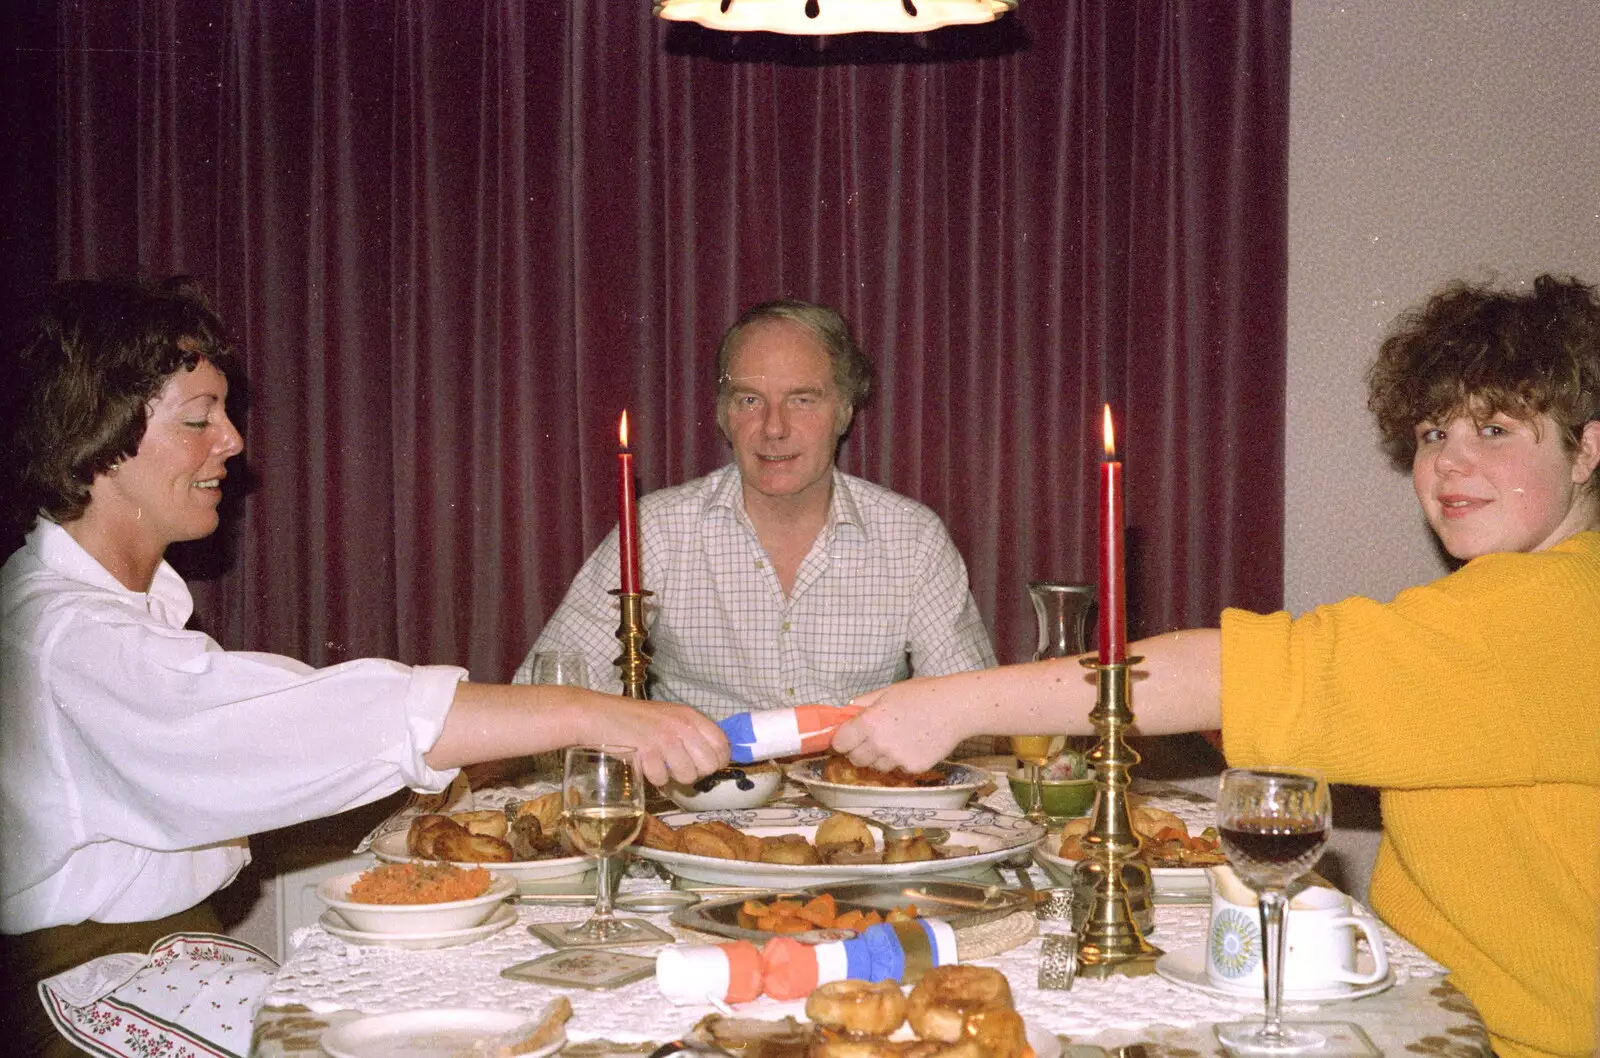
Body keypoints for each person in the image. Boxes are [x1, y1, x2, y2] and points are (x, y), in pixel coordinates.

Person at [833, 273, 1600, 1058]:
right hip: (1425, 1015)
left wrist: (952, 704)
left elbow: (1232, 674)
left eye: (1495, 431)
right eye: (1434, 434)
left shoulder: (1548, 608)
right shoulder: (1525, 597)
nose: (1449, 464)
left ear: (1587, 450)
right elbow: (1287, 701)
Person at [0, 277, 729, 1057]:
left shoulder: (116, 610)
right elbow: (312, 721)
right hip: (86, 989)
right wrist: (598, 713)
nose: (232, 441)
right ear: (98, 438)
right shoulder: (66, 636)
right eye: (197, 419)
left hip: (170, 957)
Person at [517, 298, 996, 721]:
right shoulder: (657, 532)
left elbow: (972, 711)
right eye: (750, 400)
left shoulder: (912, 540)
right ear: (725, 414)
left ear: (846, 411)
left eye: (802, 400)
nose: (774, 428)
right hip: (700, 812)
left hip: (859, 810)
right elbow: (549, 692)